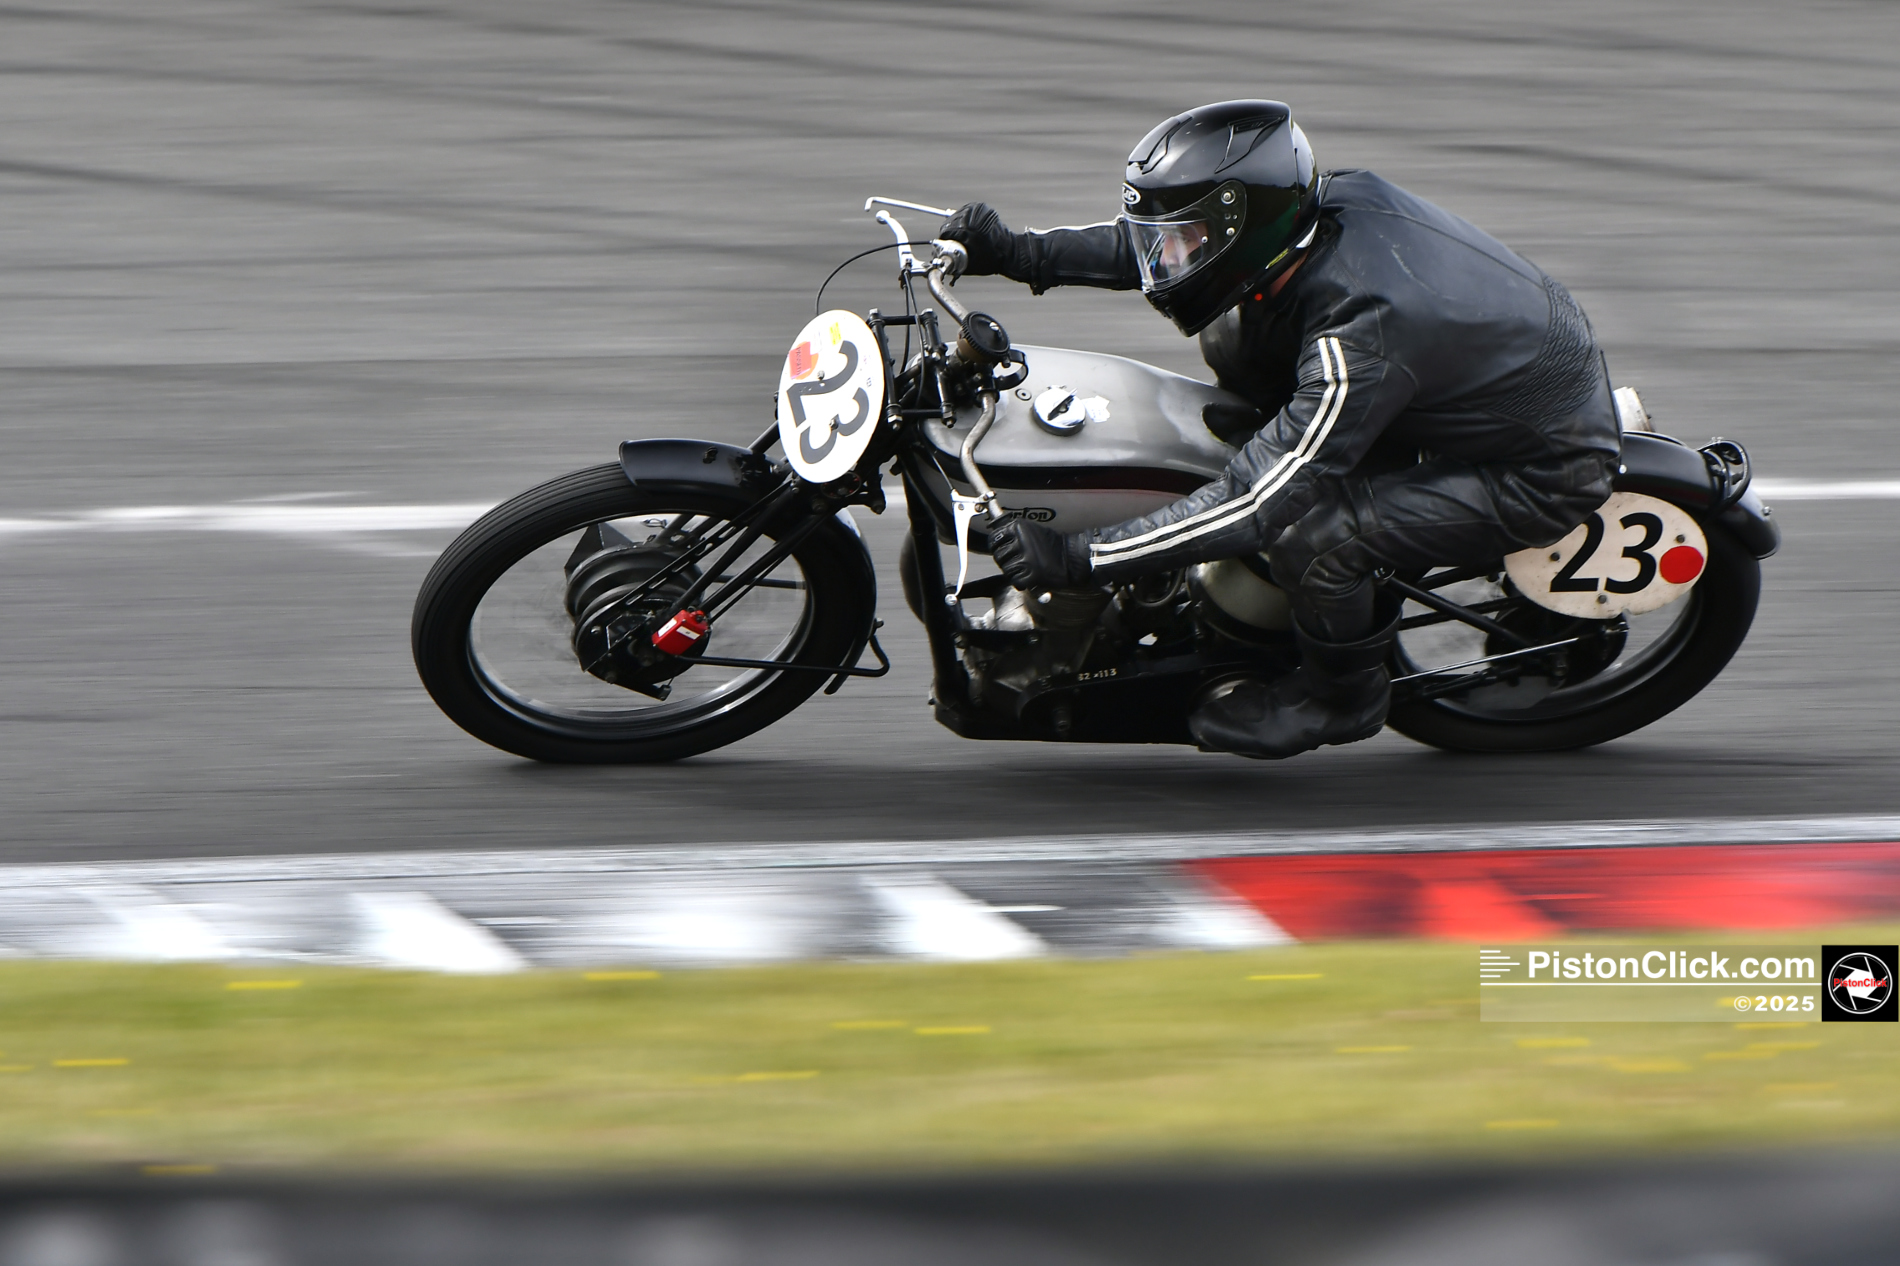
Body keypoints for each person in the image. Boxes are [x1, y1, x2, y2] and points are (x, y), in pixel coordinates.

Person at [939, 99, 1621, 760]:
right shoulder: (1301, 221)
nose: (1168, 254)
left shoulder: (1360, 330)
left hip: (1537, 464)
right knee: (1235, 335)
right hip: (1465, 381)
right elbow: (1157, 252)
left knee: (1317, 537)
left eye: (1187, 236)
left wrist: (1082, 557)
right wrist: (1019, 253)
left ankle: (1342, 697)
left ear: (1245, 227)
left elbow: (1256, 502)